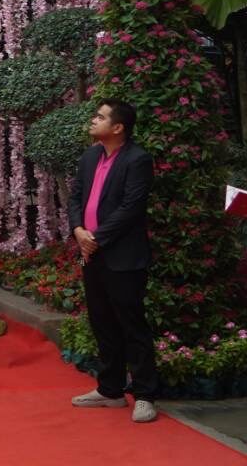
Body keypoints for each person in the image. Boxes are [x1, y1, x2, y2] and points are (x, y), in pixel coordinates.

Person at [67, 99, 157, 424]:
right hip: (92, 254)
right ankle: (111, 390)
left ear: (118, 127)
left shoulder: (138, 159)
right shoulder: (91, 156)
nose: (94, 120)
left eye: (101, 117)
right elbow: (76, 196)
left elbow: (132, 208)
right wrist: (78, 231)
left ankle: (145, 394)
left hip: (122, 256)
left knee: (132, 325)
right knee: (102, 323)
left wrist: (96, 237)